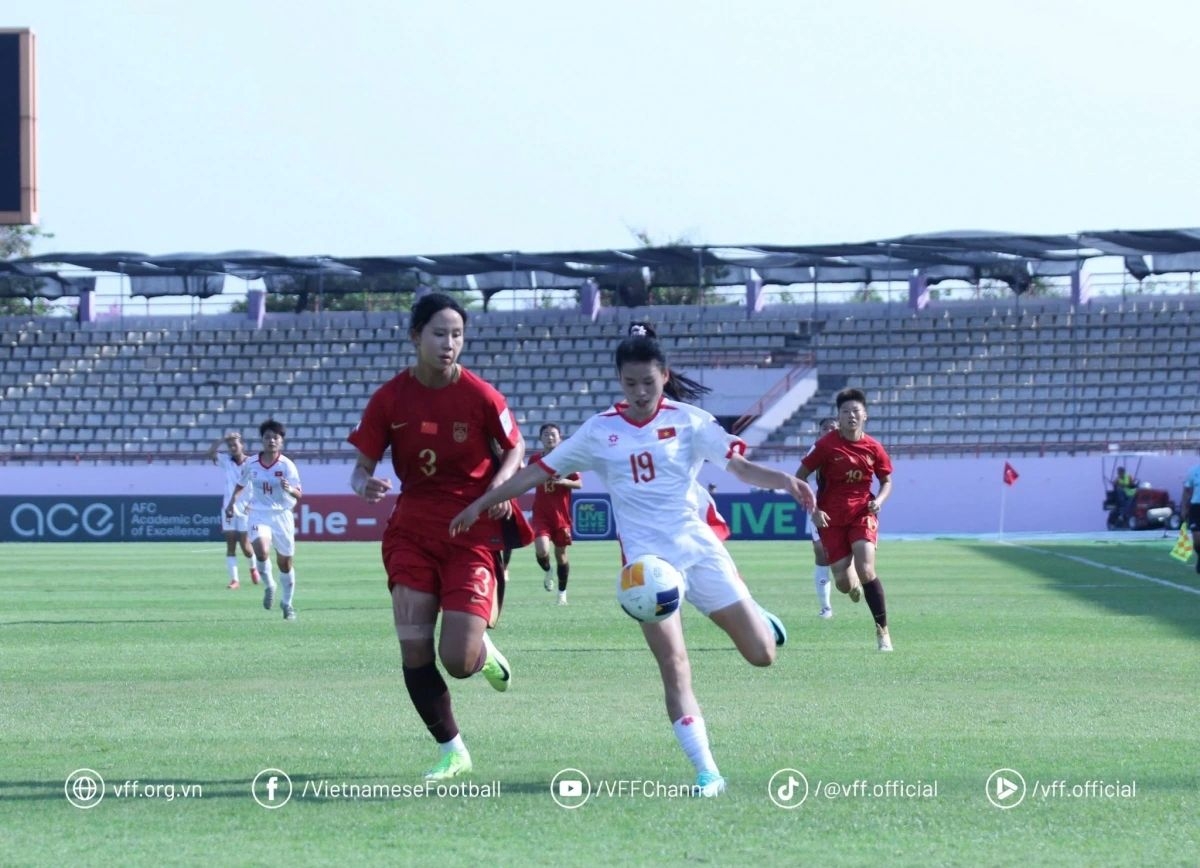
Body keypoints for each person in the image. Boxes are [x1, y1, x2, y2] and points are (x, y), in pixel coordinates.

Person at [449, 332, 815, 797]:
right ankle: (708, 772)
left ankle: (758, 617)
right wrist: (482, 504)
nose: (640, 393)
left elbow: (740, 468)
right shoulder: (600, 431)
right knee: (674, 664)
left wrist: (783, 480)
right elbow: (534, 473)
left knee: (762, 655)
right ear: (619, 382)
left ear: (664, 376)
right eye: (630, 384)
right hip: (647, 567)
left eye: (648, 382)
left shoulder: (690, 421)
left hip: (698, 550)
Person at [347, 292, 524, 783]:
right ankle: (453, 750)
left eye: (457, 335)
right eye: (439, 334)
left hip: (470, 527)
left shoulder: (482, 395)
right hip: (412, 530)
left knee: (459, 660)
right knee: (414, 648)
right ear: (415, 337)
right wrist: (365, 485)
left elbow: (516, 447)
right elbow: (360, 470)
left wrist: (498, 486)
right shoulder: (389, 398)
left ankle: (482, 654)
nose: (449, 344)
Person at [797, 389, 894, 651]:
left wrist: (879, 501)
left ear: (865, 415)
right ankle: (851, 584)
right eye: (845, 412)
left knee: (867, 569)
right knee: (842, 582)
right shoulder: (826, 445)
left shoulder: (874, 447)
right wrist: (814, 509)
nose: (851, 416)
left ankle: (882, 631)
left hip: (862, 513)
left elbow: (886, 481)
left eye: (855, 411)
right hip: (831, 519)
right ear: (838, 417)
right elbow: (799, 478)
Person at [225, 419, 303, 620]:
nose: (271, 441)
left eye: (275, 437)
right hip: (259, 513)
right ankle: (269, 585)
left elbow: (299, 493)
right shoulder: (251, 463)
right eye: (267, 437)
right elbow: (241, 484)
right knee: (261, 550)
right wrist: (231, 503)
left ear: (281, 441)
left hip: (282, 515)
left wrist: (289, 489)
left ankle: (287, 603)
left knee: (285, 563)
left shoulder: (287, 465)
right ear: (262, 440)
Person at [529, 423, 582, 605]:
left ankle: (562, 593)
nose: (549, 437)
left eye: (553, 434)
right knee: (542, 549)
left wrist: (564, 481)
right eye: (546, 434)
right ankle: (547, 570)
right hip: (540, 514)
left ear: (560, 438)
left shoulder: (567, 459)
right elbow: (527, 479)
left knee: (561, 555)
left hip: (560, 515)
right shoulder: (535, 459)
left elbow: (579, 484)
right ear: (540, 438)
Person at [206, 430, 259, 590]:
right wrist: (222, 439)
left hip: (245, 508)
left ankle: (253, 567)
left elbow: (258, 486)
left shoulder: (251, 463)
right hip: (228, 508)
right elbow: (210, 453)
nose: (232, 447)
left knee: (245, 546)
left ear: (242, 445)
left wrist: (253, 504)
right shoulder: (226, 461)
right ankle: (234, 580)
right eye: (230, 446)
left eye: (235, 444)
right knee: (230, 544)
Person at [796, 417, 838, 619]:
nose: (829, 430)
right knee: (821, 552)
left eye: (833, 427)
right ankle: (826, 607)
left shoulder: (852, 447)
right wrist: (811, 503)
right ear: (819, 432)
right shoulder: (817, 449)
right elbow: (801, 476)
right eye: (825, 428)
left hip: (846, 507)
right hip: (819, 506)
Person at [1181, 460, 1200, 573]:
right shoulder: (1193, 471)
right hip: (1196, 507)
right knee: (1197, 539)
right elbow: (1187, 491)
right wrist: (1184, 508)